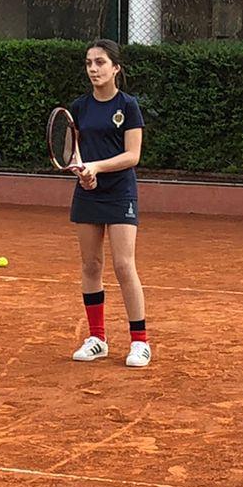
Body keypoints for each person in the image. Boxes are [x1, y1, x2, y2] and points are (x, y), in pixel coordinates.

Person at [68, 39, 149, 368]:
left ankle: (140, 342)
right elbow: (73, 150)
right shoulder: (79, 108)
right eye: (89, 63)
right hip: (88, 192)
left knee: (123, 265)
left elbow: (133, 155)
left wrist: (98, 168)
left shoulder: (128, 106)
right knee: (91, 265)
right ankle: (97, 339)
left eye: (100, 62)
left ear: (116, 68)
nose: (93, 69)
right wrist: (82, 172)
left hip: (119, 192)